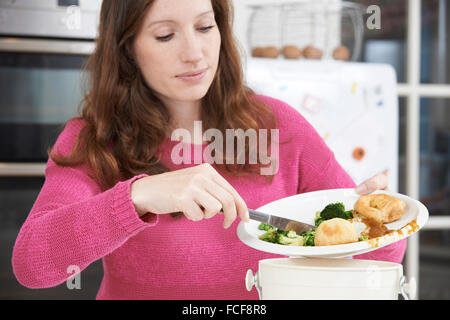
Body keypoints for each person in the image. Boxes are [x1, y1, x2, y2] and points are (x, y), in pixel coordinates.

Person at [12, 0, 406, 300]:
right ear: (127, 48)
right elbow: (33, 264)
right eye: (166, 35)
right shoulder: (94, 142)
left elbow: (378, 261)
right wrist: (139, 195)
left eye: (204, 26)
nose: (195, 53)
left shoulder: (279, 125)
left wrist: (378, 221)